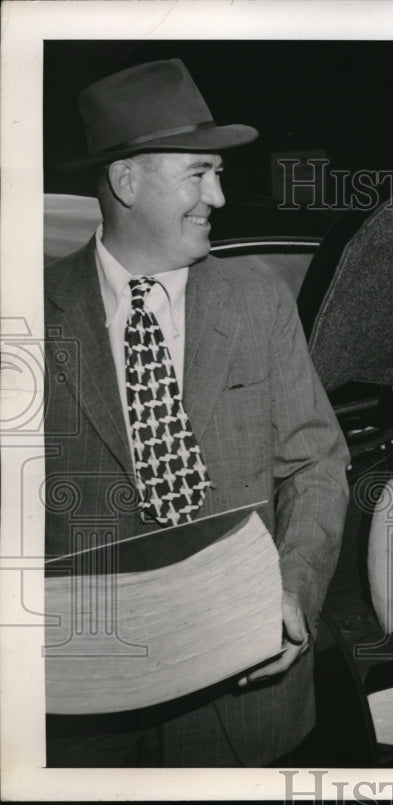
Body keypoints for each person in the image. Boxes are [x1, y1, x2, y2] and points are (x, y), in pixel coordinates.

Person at [44, 59, 350, 767]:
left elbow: (317, 461)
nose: (218, 193)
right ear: (127, 181)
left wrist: (292, 590)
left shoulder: (258, 300)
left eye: (217, 173)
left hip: (247, 702)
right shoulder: (27, 314)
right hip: (88, 710)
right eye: (198, 173)